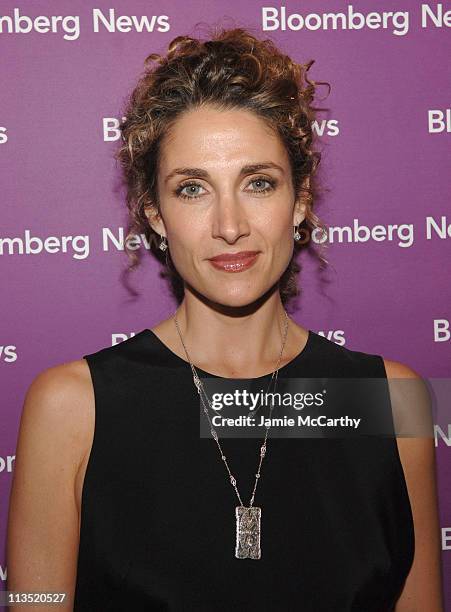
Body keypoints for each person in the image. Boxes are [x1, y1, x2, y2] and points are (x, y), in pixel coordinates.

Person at [6, 26, 443, 611]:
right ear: (154, 214)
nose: (230, 224)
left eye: (258, 183)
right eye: (192, 189)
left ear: (302, 198)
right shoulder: (72, 406)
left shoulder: (386, 399)